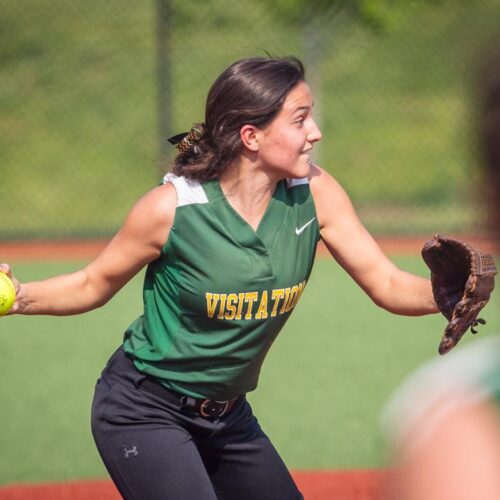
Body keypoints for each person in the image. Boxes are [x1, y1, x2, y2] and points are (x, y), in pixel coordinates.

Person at [1, 56, 439, 500]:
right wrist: (18, 298)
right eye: (300, 120)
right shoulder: (172, 209)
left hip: (228, 419)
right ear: (252, 136)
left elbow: (386, 283)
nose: (315, 133)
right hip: (144, 409)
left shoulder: (316, 194)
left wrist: (446, 293)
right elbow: (92, 283)